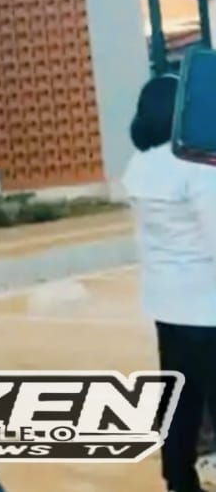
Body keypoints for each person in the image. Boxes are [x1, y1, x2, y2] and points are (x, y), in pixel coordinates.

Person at [120, 74, 216, 492]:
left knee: (180, 400)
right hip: (207, 306)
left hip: (167, 305)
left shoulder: (140, 165)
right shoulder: (196, 166)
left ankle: (178, 480)